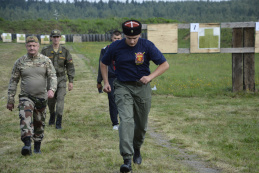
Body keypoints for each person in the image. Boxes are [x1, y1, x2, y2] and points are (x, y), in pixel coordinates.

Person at [100, 20, 169, 172]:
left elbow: (164, 64)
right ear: (124, 35)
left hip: (142, 88)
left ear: (139, 35)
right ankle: (127, 159)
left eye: (135, 38)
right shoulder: (115, 46)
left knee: (141, 124)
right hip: (122, 86)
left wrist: (150, 77)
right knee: (126, 121)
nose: (132, 41)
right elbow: (103, 62)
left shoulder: (147, 45)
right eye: (129, 38)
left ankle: (137, 147)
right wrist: (106, 82)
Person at [6, 36, 57, 156]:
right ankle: (27, 144)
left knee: (39, 122)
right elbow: (13, 80)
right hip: (26, 97)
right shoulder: (20, 62)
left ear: (38, 47)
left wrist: (52, 89)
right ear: (26, 47)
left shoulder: (45, 60)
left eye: (34, 46)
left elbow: (53, 76)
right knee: (25, 118)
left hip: (41, 97)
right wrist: (10, 99)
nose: (32, 48)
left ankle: (37, 147)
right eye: (29, 46)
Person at [41, 29, 75, 129]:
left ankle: (58, 121)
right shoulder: (45, 51)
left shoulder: (65, 51)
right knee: (50, 101)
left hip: (61, 79)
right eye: (54, 37)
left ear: (60, 38)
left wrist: (71, 81)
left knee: (60, 99)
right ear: (51, 38)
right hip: (49, 79)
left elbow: (70, 66)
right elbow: (41, 65)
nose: (55, 39)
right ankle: (52, 114)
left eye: (57, 37)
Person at [97, 30, 122, 130]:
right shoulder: (105, 49)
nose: (116, 40)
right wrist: (99, 81)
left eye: (119, 38)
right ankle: (115, 123)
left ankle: (123, 120)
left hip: (122, 77)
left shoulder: (124, 49)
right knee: (112, 99)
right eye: (115, 38)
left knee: (122, 99)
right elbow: (101, 65)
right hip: (110, 77)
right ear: (112, 38)